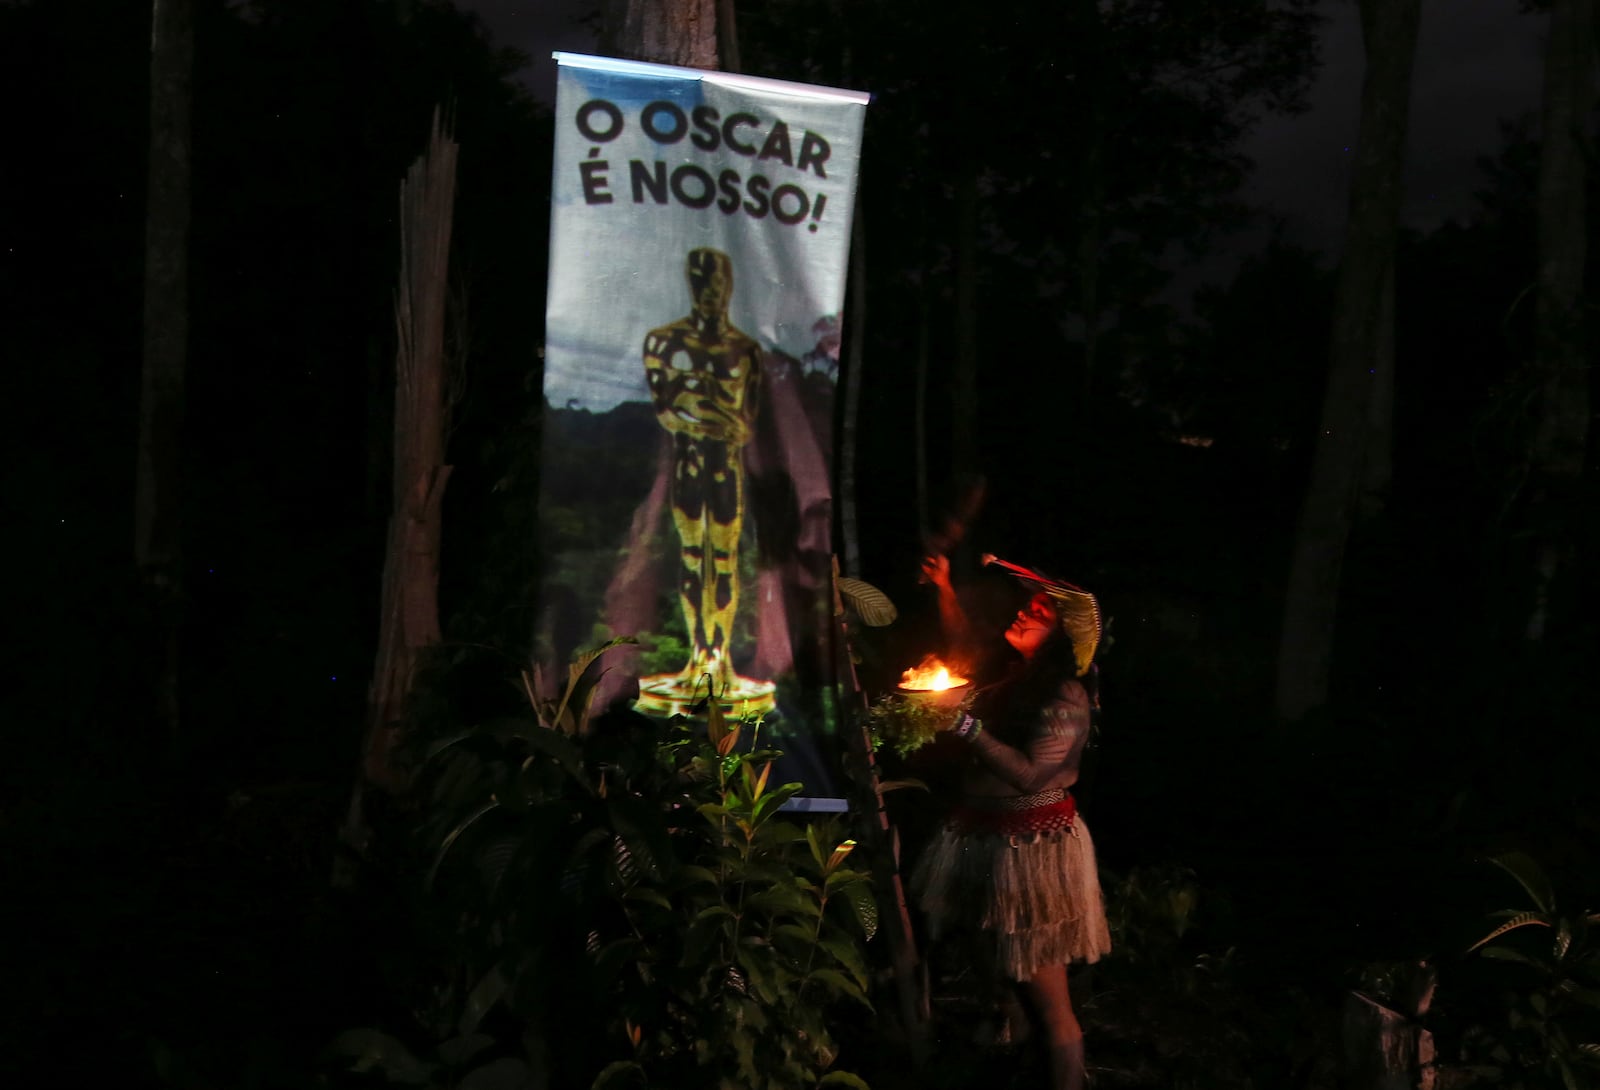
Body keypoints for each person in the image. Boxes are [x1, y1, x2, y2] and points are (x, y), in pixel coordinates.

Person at [911, 552, 1111, 1090]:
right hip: (995, 842)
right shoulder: (1016, 683)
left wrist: (966, 725)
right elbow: (963, 650)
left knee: (1047, 997)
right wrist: (946, 590)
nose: (1025, 613)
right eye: (1030, 605)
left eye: (1041, 612)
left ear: (1064, 636)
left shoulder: (1065, 695)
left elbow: (1029, 776)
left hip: (1035, 853)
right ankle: (1023, 1069)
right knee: (1011, 983)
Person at [636, 248, 775, 716]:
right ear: (692, 286)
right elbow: (666, 413)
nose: (712, 293)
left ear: (729, 287)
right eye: (702, 283)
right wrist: (710, 414)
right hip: (689, 467)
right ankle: (700, 658)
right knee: (694, 558)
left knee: (725, 558)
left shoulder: (745, 351)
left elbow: (745, 425)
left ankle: (721, 663)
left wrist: (699, 404)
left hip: (725, 470)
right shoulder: (663, 342)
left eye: (718, 284)